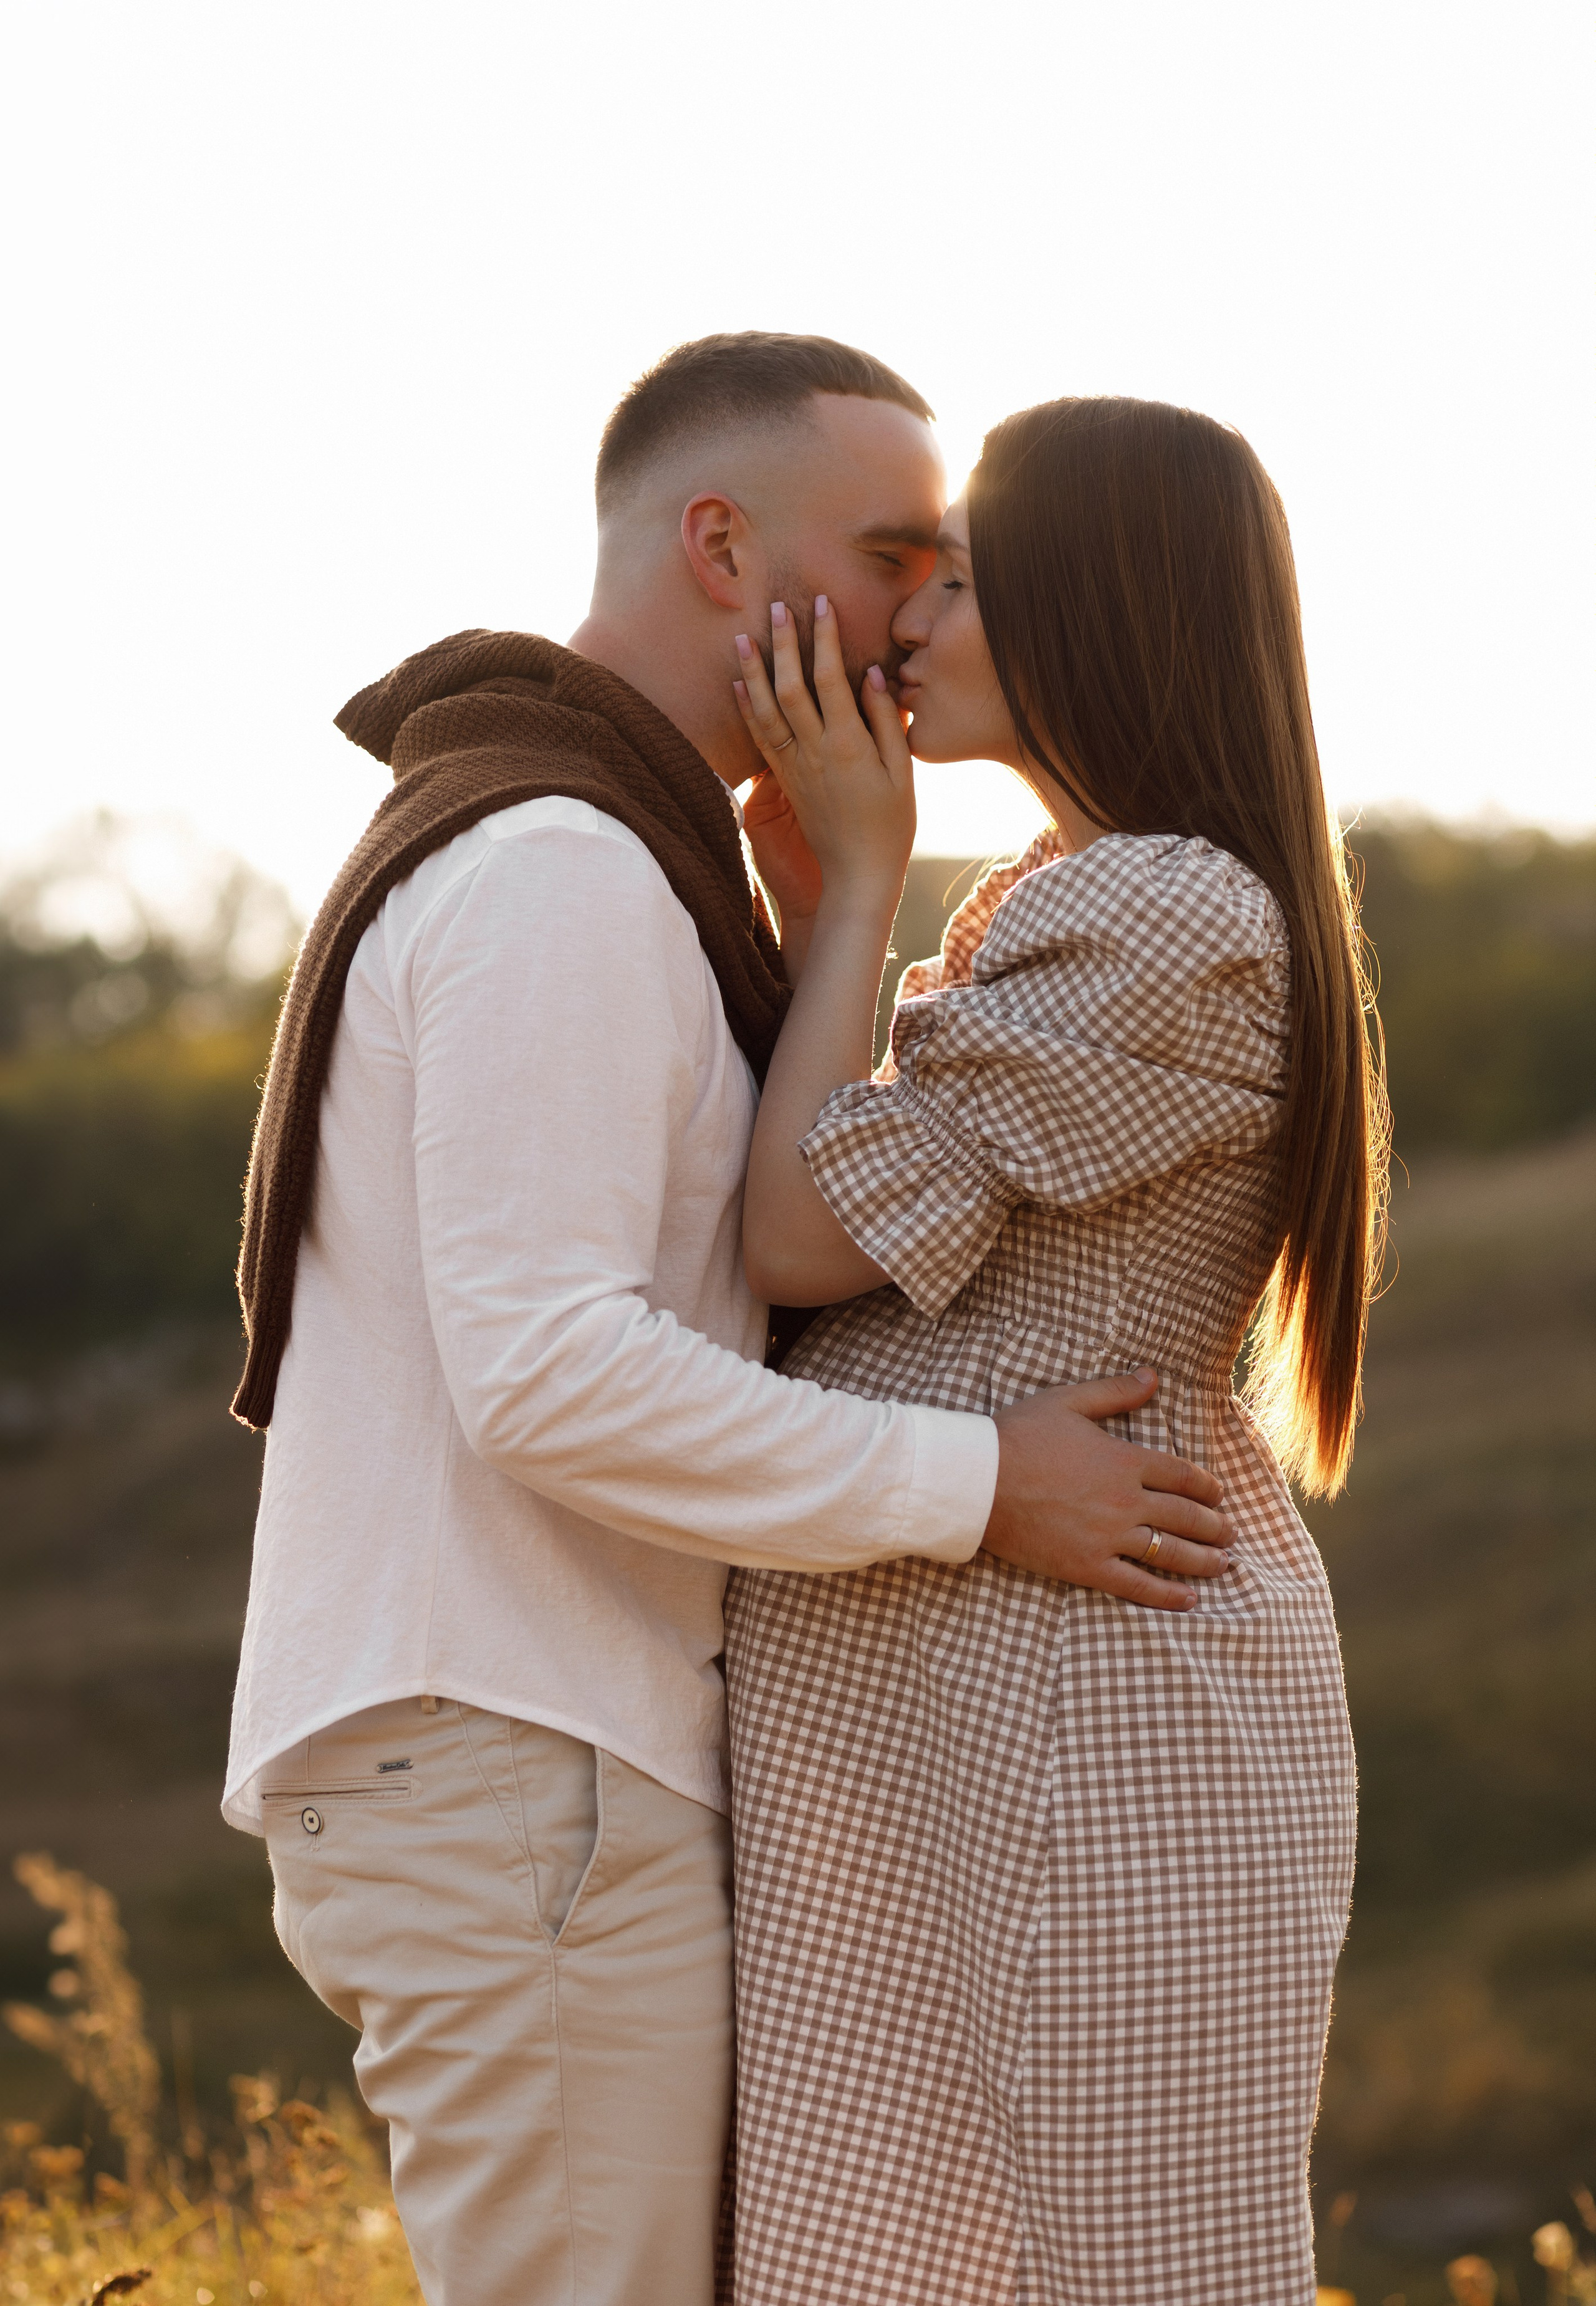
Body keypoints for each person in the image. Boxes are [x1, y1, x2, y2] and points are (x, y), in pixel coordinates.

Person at [220, 340, 1234, 2306]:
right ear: (719, 545)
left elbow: (726, 1259)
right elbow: (551, 1366)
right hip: (517, 1753)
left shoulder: (611, 861)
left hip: (523, 1752)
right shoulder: (565, 874)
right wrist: (979, 1485)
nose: (924, 611)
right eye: (889, 553)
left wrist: (822, 921)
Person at [724, 395, 1387, 2306]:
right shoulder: (1083, 901)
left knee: (1085, 2262)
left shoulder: (1159, 913)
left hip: (1077, 1725)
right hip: (1004, 1696)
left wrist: (860, 884)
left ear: (1090, 611)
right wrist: (821, 898)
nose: (905, 628)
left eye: (959, 585)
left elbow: (799, 1237)